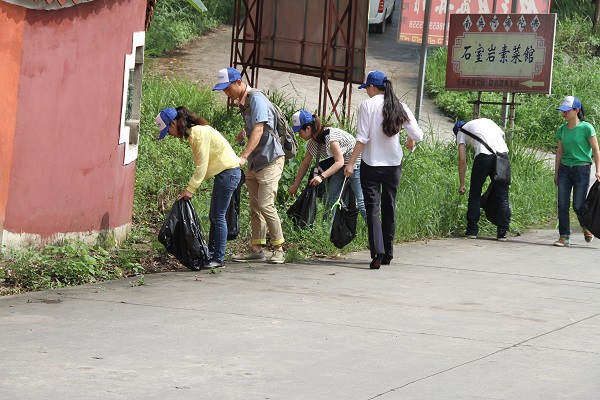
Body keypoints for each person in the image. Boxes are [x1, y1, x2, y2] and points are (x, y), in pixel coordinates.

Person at [344, 70, 424, 269]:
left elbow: (362, 138)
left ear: (372, 87)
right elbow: (418, 134)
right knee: (390, 207)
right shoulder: (399, 105)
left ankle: (377, 254)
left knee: (373, 209)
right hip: (393, 166)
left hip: (371, 165)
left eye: (367, 88)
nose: (367, 92)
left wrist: (351, 163)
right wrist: (409, 139)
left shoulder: (367, 106)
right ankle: (388, 253)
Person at [213, 67, 286, 263]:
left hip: (270, 159)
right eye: (223, 90)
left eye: (227, 88)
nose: (226, 93)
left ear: (238, 82)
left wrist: (243, 155)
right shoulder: (244, 103)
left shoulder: (256, 98)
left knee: (265, 205)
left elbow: (260, 129)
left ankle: (279, 248)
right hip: (256, 161)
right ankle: (257, 249)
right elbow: (253, 126)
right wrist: (243, 133)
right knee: (255, 206)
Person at [155, 106, 242, 269]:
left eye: (168, 131)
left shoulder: (198, 134)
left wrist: (190, 189)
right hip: (227, 174)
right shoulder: (194, 133)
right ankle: (213, 255)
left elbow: (201, 166)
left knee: (218, 217)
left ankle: (218, 257)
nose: (170, 135)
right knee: (215, 216)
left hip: (229, 173)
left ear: (174, 123)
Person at [288, 110, 366, 220]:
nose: (298, 135)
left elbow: (340, 161)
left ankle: (376, 233)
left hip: (354, 163)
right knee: (330, 200)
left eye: (299, 131)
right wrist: (295, 186)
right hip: (341, 165)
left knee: (361, 202)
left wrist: (321, 176)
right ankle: (327, 231)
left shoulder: (330, 136)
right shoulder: (313, 143)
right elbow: (305, 164)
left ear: (308, 128)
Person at [553, 95, 600, 247]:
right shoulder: (562, 130)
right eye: (563, 110)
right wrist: (556, 172)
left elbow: (595, 150)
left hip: (582, 169)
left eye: (567, 110)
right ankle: (564, 236)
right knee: (562, 205)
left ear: (576, 110)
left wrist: (598, 170)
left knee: (578, 205)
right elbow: (559, 152)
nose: (564, 113)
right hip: (565, 171)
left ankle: (586, 226)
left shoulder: (586, 128)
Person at [453, 118, 511, 241]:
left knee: (475, 193)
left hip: (483, 157)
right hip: (503, 156)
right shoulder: (487, 121)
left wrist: (462, 184)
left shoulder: (460, 131)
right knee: (502, 195)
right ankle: (502, 232)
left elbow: (462, 161)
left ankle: (472, 230)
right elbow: (501, 134)